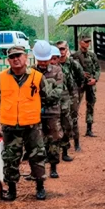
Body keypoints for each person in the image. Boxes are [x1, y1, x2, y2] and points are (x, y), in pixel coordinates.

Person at [0, 45, 57, 200]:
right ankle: (12, 190)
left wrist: (34, 108)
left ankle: (40, 187)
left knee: (37, 155)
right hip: (10, 126)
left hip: (32, 125)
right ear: (8, 60)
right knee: (10, 158)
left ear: (26, 57)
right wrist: (7, 108)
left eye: (19, 55)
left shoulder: (37, 77)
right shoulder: (1, 77)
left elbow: (48, 97)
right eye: (12, 57)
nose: (16, 59)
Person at [33, 41, 64, 179]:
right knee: (37, 142)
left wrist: (43, 99)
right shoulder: (31, 71)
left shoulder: (57, 70)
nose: (43, 63)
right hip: (35, 113)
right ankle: (38, 171)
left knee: (54, 139)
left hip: (52, 111)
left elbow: (58, 91)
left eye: (45, 60)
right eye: (40, 60)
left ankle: (53, 167)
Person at [57, 41, 87, 153]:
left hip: (72, 95)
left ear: (67, 50)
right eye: (59, 49)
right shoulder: (55, 65)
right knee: (59, 120)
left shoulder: (73, 63)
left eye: (63, 49)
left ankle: (77, 143)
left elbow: (81, 78)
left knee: (73, 120)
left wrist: (76, 92)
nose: (61, 52)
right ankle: (63, 144)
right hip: (59, 96)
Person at [72, 34, 100, 137]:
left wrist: (95, 79)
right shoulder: (74, 56)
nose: (88, 44)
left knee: (91, 105)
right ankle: (72, 130)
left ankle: (89, 129)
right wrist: (80, 74)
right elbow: (71, 70)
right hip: (79, 84)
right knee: (75, 106)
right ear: (80, 42)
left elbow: (97, 68)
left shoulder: (92, 56)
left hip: (90, 83)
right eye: (85, 41)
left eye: (89, 42)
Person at [55, 41, 76, 160]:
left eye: (62, 49)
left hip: (64, 103)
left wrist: (72, 102)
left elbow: (72, 86)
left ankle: (65, 151)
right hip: (51, 105)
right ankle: (52, 153)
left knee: (66, 126)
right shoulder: (47, 70)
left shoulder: (66, 69)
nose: (61, 53)